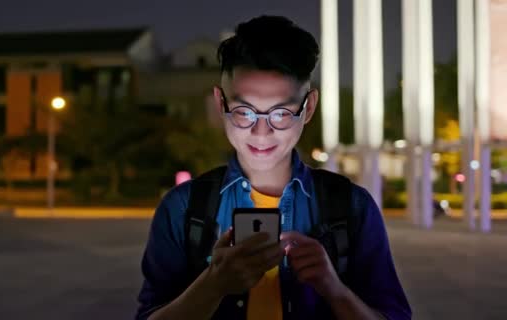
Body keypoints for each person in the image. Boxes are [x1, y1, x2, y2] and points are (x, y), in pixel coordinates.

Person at [136, 15, 411, 320]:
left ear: (307, 108)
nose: (261, 132)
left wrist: (334, 289)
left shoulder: (352, 207)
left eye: (280, 113)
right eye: (244, 111)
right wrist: (212, 286)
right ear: (220, 102)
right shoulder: (183, 209)